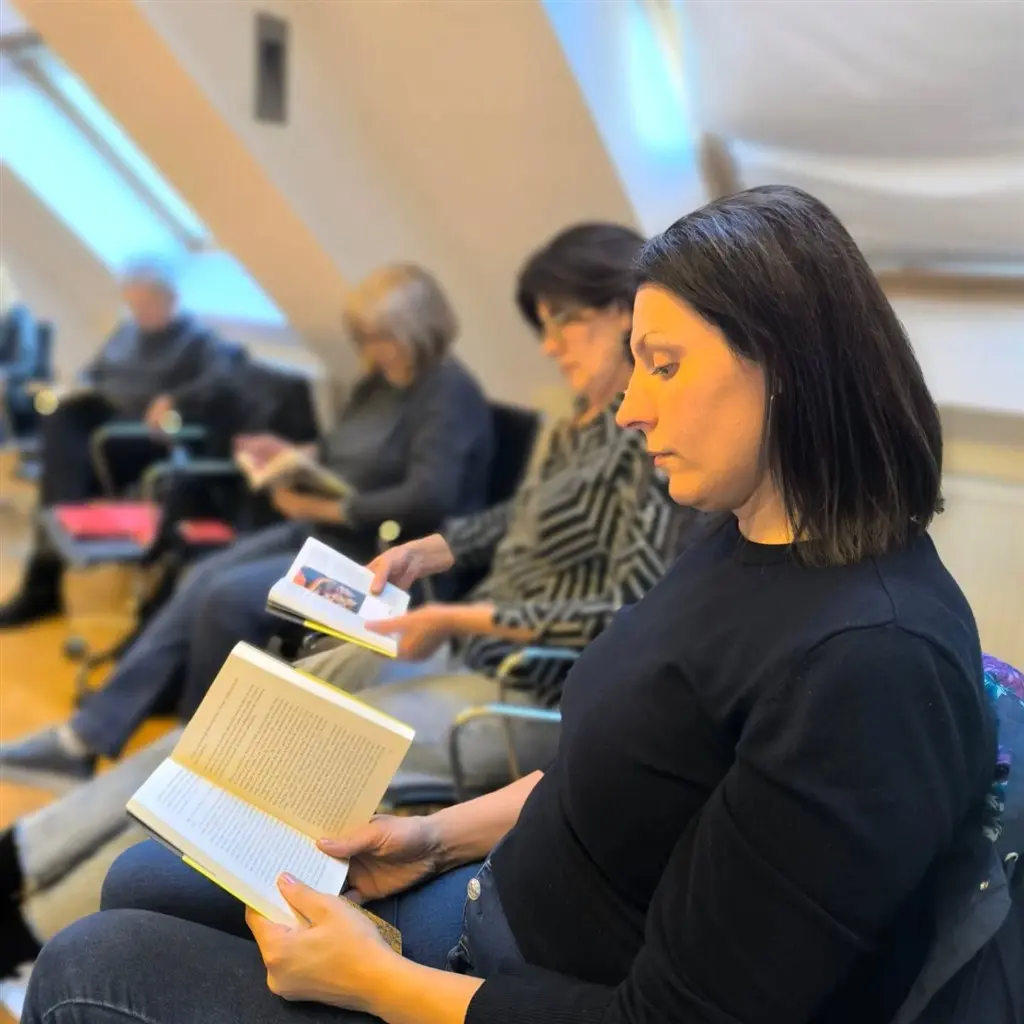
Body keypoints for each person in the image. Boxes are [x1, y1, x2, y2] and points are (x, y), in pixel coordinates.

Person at [24, 186, 1013, 1024]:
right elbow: (623, 774)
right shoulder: (744, 531)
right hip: (491, 908)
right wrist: (432, 838)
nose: (632, 407)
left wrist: (374, 981)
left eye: (665, 365)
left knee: (90, 966)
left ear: (789, 367)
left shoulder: (868, 666)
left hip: (522, 986)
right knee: (145, 876)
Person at [0, 263, 494, 791]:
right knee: (199, 577)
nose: (372, 351)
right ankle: (84, 739)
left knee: (227, 599)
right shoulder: (382, 382)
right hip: (326, 533)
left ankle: (198, 761)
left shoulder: (448, 395)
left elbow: (428, 498)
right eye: (366, 339)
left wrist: (326, 508)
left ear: (421, 329)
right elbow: (342, 452)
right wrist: (292, 455)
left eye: (382, 338)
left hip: (380, 567)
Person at [286, 221, 695, 793]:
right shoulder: (577, 422)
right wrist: (433, 550)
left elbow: (626, 613)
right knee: (292, 693)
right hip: (474, 653)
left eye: (564, 321)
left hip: (533, 689)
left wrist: (457, 618)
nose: (549, 345)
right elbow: (521, 516)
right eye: (543, 326)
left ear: (624, 310)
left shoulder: (651, 439)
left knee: (310, 745)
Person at [0, 255, 237, 627]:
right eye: (134, 303)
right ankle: (59, 525)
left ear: (170, 299)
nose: (140, 311)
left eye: (147, 303)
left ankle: (45, 573)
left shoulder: (197, 340)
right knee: (61, 415)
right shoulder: (127, 333)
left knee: (59, 467)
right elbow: (93, 372)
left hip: (139, 439)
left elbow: (222, 383)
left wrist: (176, 399)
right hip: (99, 426)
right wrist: (73, 388)